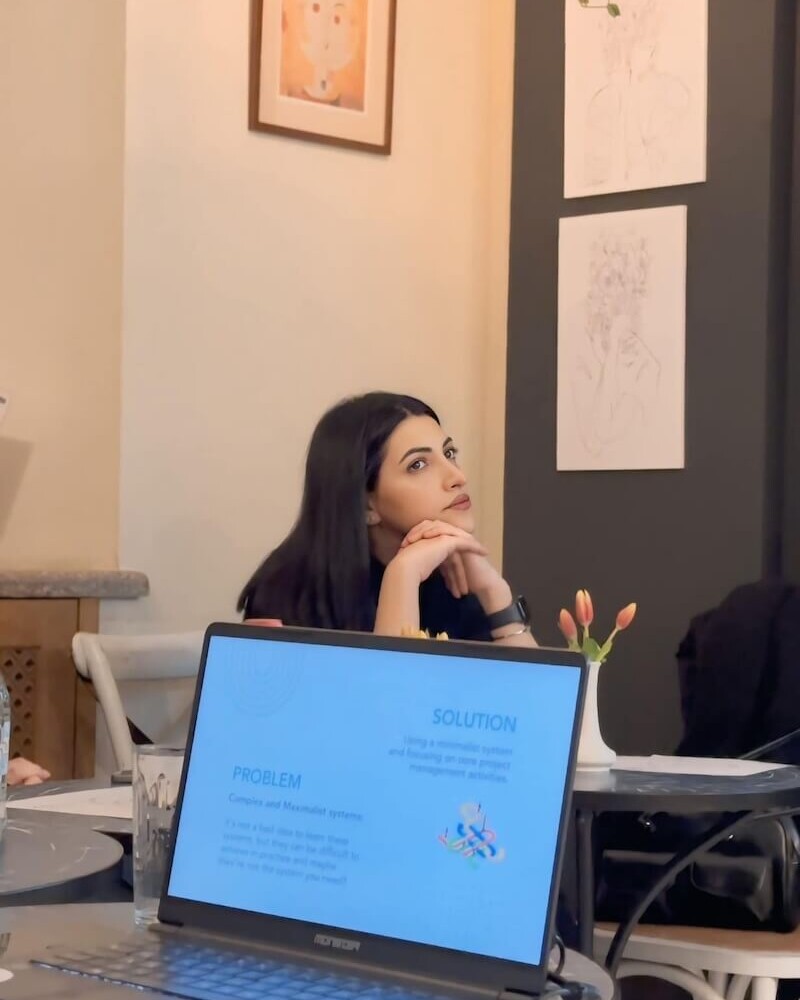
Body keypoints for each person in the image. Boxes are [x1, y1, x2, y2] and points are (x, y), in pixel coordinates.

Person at [239, 392, 536, 645]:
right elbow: (390, 693)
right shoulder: (288, 590)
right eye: (418, 465)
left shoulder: (453, 572)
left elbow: (530, 693)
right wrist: (403, 575)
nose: (457, 477)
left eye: (449, 453)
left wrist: (495, 595)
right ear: (365, 505)